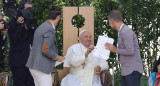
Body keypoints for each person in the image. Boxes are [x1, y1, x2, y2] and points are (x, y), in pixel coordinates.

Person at [26, 6, 64, 86]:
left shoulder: (42, 26)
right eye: (61, 17)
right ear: (58, 17)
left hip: (34, 66)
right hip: (41, 68)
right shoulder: (49, 29)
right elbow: (45, 49)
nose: (62, 19)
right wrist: (57, 57)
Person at [105, 10, 143, 86]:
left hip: (132, 70)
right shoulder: (122, 31)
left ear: (111, 21)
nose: (109, 23)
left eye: (109, 21)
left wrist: (115, 50)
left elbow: (130, 51)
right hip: (127, 70)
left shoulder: (125, 31)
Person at [7, 0, 36, 86]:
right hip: (19, 63)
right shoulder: (13, 22)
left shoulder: (30, 22)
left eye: (31, 9)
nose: (30, 11)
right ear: (22, 9)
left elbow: (33, 40)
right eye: (28, 9)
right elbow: (14, 40)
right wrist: (19, 25)